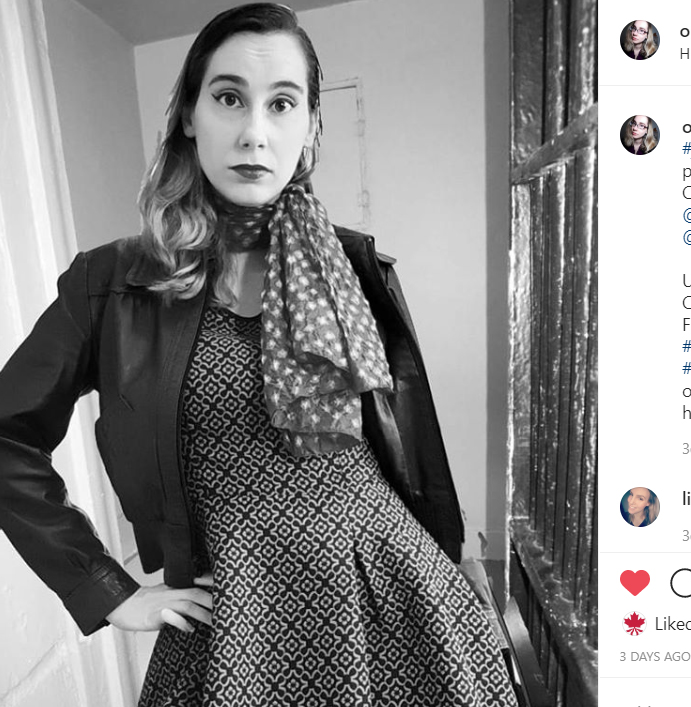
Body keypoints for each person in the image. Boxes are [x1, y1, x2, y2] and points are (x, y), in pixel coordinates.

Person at [0, 4, 517, 705]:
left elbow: (410, 447)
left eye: (282, 104)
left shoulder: (354, 264)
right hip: (234, 614)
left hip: (393, 596)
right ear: (189, 114)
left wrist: (455, 560)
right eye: (228, 98)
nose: (253, 132)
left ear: (309, 126)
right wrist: (108, 590)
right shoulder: (112, 283)